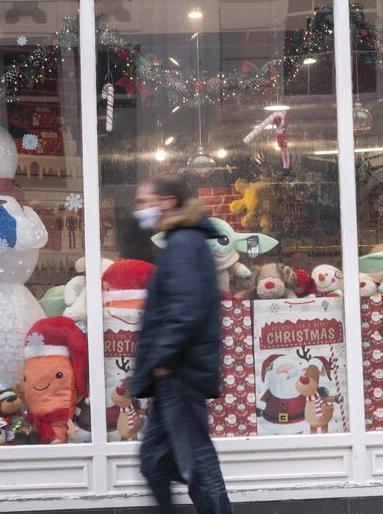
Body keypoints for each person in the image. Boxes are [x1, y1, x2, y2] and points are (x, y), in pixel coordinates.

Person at [130, 175, 233, 514]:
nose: (140, 210)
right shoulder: (181, 242)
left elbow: (186, 309)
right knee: (154, 462)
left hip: (177, 372)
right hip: (172, 373)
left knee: (198, 464)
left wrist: (163, 358)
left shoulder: (185, 244)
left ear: (167, 201)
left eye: (144, 201)